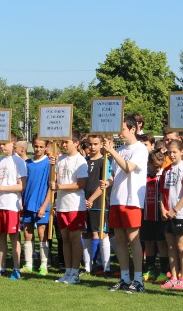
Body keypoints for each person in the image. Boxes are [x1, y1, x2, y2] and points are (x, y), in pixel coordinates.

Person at [102, 116, 149, 293]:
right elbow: (116, 174)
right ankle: (124, 277)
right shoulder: (120, 150)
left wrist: (111, 151)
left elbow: (129, 167)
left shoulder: (140, 149)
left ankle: (138, 279)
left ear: (132, 129)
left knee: (133, 239)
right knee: (120, 240)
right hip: (117, 199)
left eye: (122, 129)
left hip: (132, 200)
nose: (119, 133)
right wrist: (108, 182)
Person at [0, 135, 27, 280]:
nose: (1, 146)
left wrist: (1, 188)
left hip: (11, 205)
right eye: (0, 144)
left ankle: (16, 268)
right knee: (0, 236)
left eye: (4, 143)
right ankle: (1, 267)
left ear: (13, 143)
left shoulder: (18, 161)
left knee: (14, 237)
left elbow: (22, 186)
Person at [51, 132, 88, 284]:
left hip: (75, 205)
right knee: (64, 238)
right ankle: (67, 271)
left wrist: (60, 186)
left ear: (76, 142)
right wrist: (52, 165)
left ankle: (75, 272)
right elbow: (53, 181)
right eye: (63, 142)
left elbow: (81, 184)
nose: (64, 145)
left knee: (74, 238)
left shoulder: (80, 161)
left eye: (67, 142)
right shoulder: (60, 159)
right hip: (61, 205)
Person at [159, 139, 183, 290]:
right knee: (170, 246)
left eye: (175, 152)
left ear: (182, 152)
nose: (172, 155)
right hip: (167, 213)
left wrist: (175, 210)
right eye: (170, 152)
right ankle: (174, 277)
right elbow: (162, 193)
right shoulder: (166, 170)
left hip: (180, 213)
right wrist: (163, 210)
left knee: (181, 245)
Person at [20, 137, 52, 276]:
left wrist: (44, 205)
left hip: (41, 204)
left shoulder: (49, 163)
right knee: (27, 232)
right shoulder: (27, 163)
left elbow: (51, 187)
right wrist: (21, 202)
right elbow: (23, 184)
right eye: (36, 146)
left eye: (41, 146)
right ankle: (28, 264)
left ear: (45, 147)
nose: (38, 149)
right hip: (28, 203)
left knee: (42, 233)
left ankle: (44, 264)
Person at [83, 134, 112, 275]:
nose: (93, 147)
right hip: (84, 203)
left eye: (95, 144)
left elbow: (104, 183)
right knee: (86, 234)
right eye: (90, 144)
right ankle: (87, 267)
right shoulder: (84, 161)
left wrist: (91, 199)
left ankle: (106, 267)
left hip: (99, 203)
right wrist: (84, 200)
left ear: (101, 145)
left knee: (102, 234)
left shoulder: (104, 161)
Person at [141, 150, 169, 283]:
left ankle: (164, 271)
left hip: (160, 215)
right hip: (146, 214)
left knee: (161, 243)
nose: (158, 168)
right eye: (155, 166)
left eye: (160, 166)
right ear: (149, 163)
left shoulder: (163, 174)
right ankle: (150, 270)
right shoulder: (143, 174)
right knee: (148, 243)